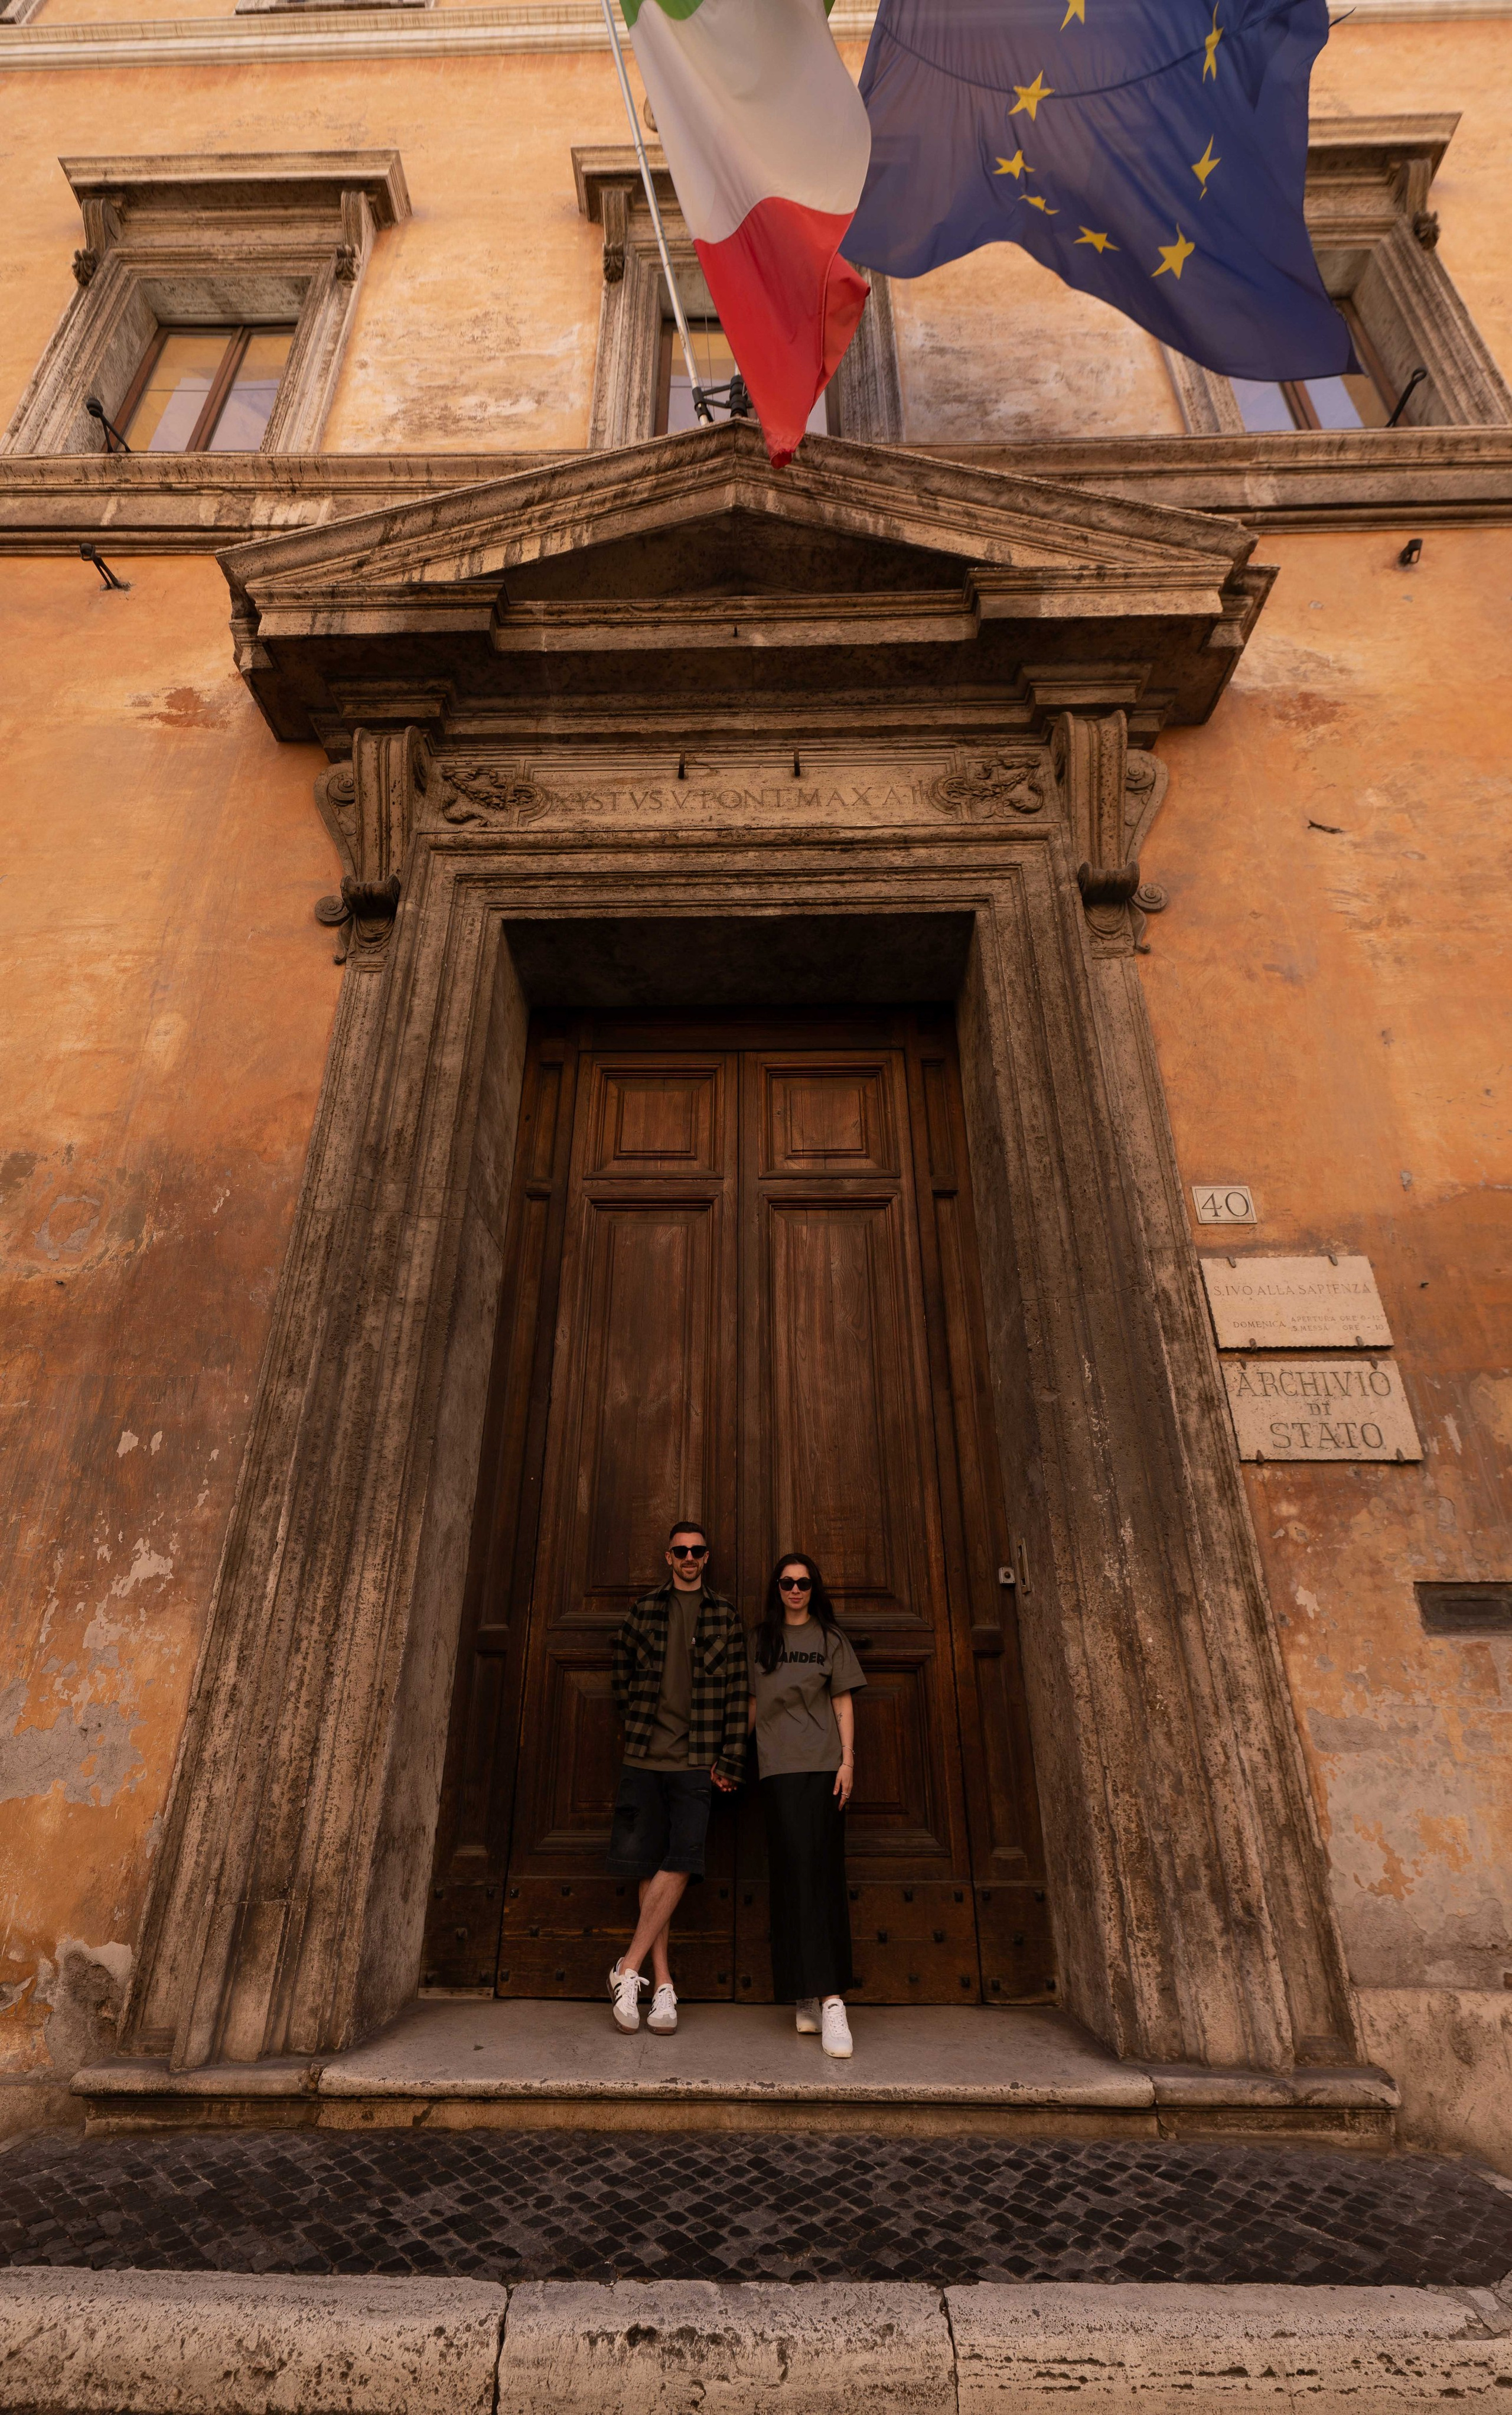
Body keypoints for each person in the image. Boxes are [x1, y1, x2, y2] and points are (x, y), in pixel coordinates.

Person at [605, 1518, 747, 2036]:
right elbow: (619, 1672)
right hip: (645, 1756)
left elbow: (737, 1692)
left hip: (696, 1760)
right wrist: (638, 1719)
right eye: (680, 1551)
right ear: (668, 1557)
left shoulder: (725, 1614)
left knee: (681, 1861)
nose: (689, 1558)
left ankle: (627, 1968)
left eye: (697, 1551)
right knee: (649, 1863)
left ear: (706, 1558)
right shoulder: (643, 1610)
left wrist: (730, 1759)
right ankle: (663, 1986)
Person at [748, 1552, 866, 2058]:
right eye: (787, 1583)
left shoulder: (830, 1639)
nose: (795, 1590)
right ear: (777, 1588)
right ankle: (804, 1992)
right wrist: (731, 1760)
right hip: (776, 1770)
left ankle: (833, 1999)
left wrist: (848, 1762)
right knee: (791, 1875)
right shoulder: (761, 1640)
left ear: (814, 1588)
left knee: (821, 1873)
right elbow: (753, 1704)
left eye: (804, 1583)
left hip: (822, 1769)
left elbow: (843, 1702)